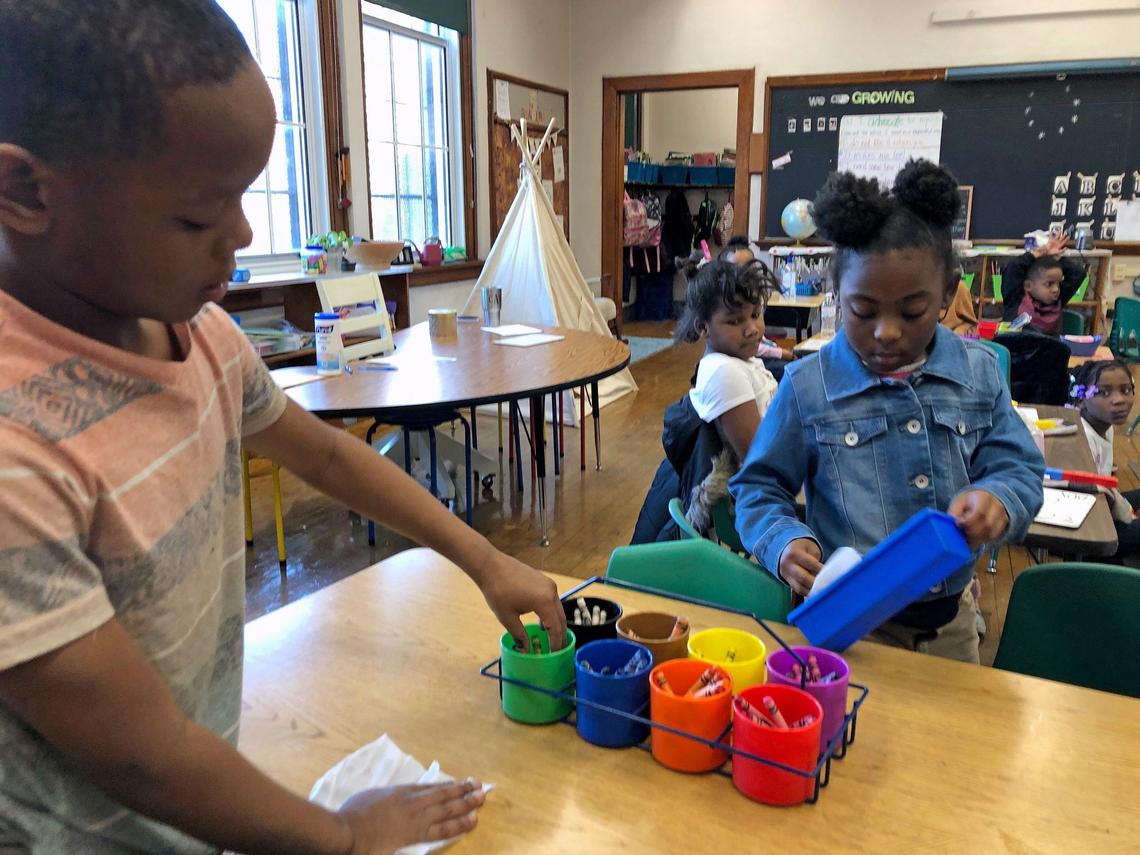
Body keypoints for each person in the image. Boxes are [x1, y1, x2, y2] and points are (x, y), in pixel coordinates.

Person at [0, 3, 566, 853]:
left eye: (244, 197)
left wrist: (487, 561)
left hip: (197, 801)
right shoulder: (17, 452)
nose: (242, 236)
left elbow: (331, 456)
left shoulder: (201, 335)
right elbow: (145, 757)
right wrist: (340, 837)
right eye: (197, 217)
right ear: (26, 191)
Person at [730, 160, 1044, 664]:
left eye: (913, 311)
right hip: (856, 631)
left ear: (947, 295)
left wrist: (999, 497)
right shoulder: (809, 386)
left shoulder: (979, 372)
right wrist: (784, 541)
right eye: (864, 311)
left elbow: (1020, 467)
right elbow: (757, 487)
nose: (887, 332)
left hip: (954, 625)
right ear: (837, 298)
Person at [630, 258, 778, 542]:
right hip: (740, 513)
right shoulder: (724, 371)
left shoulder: (742, 361)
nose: (752, 328)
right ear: (703, 328)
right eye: (735, 321)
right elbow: (758, 462)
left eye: (756, 314)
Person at [1070, 359, 1140, 562]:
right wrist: (1129, 515)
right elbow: (1092, 498)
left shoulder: (1104, 426)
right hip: (1089, 529)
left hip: (1102, 506)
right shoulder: (1081, 440)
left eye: (1126, 390)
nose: (1119, 400)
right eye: (1104, 392)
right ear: (1081, 399)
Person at [1000, 232, 1087, 335]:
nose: (1056, 289)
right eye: (1049, 284)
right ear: (1028, 286)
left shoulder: (1057, 300)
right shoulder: (1016, 298)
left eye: (1058, 284)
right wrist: (1036, 254)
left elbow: (1078, 273)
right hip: (1017, 350)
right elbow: (1013, 269)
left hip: (1049, 350)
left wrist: (1056, 258)